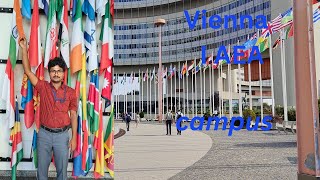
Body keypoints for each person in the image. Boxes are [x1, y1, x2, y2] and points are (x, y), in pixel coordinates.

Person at [19, 38, 77, 180]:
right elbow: (27, 70)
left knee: (62, 173)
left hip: (62, 136)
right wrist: (23, 49)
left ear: (64, 74)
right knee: (42, 173)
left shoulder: (70, 92)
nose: (56, 74)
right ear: (49, 73)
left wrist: (74, 137)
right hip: (44, 134)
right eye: (53, 71)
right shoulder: (43, 87)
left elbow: (74, 115)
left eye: (59, 71)